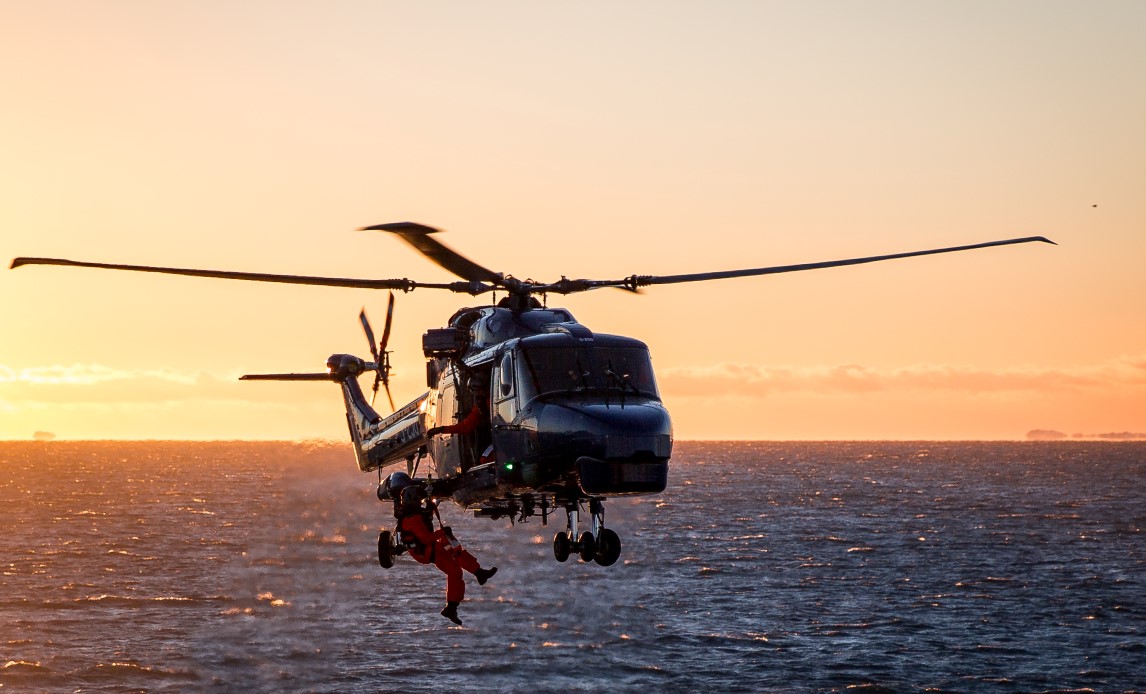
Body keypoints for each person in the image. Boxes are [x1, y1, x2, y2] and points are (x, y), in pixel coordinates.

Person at [381, 472, 497, 625]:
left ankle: (479, 572)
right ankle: (451, 607)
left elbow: (424, 525)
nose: (420, 503)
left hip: (426, 548)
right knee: (455, 571)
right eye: (419, 500)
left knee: (454, 547)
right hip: (426, 552)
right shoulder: (413, 519)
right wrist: (443, 531)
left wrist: (430, 508)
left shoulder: (409, 513)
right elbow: (425, 538)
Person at [425, 374, 495, 465]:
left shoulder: (489, 402)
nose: (478, 395)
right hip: (499, 438)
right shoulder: (480, 407)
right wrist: (442, 429)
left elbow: (466, 427)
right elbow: (466, 427)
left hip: (503, 437)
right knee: (485, 459)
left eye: (479, 391)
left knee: (486, 459)